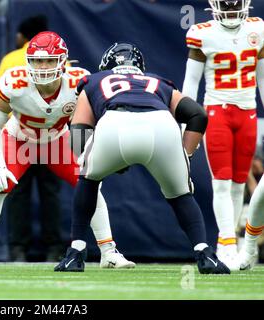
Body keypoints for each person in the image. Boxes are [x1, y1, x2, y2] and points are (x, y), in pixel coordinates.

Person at [54, 42, 230, 275]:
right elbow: (198, 115)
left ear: (106, 65)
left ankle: (76, 253)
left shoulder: (94, 80)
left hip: (115, 122)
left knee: (88, 180)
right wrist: (184, 155)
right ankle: (205, 253)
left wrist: (97, 161)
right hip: (162, 125)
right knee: (181, 195)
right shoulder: (158, 82)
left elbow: (78, 129)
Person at [0, 31, 135, 269]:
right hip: (19, 139)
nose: (43, 66)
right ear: (28, 61)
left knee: (90, 184)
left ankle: (108, 251)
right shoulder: (14, 82)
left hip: (59, 140)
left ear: (63, 61)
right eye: (37, 60)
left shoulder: (79, 82)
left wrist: (90, 156)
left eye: (49, 60)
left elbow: (90, 120)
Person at [182, 0, 264, 269]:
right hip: (217, 111)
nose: (230, 8)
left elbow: (262, 78)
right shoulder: (202, 32)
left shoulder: (258, 28)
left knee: (239, 183)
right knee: (221, 182)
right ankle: (227, 242)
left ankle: (232, 241)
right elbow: (191, 82)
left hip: (248, 112)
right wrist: (185, 118)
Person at [0, 15, 64, 262]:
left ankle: (18, 249)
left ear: (23, 36)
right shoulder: (61, 60)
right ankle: (55, 248)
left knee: (17, 193)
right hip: (53, 135)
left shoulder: (12, 59)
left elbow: (0, 103)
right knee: (51, 194)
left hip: (20, 135)